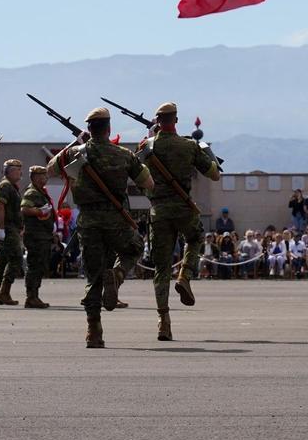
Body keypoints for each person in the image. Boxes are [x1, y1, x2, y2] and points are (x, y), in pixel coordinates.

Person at [47, 106, 154, 348]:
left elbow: (50, 169)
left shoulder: (76, 153)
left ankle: (93, 331)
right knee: (134, 248)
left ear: (88, 129)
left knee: (93, 275)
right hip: (117, 221)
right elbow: (148, 182)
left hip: (89, 223)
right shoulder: (123, 154)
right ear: (109, 129)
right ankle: (117, 274)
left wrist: (73, 145)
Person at [139, 102, 220, 341]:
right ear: (175, 121)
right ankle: (185, 274)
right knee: (195, 237)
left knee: (161, 267)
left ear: (156, 122)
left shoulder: (147, 146)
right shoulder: (189, 146)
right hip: (184, 208)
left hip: (159, 211)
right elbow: (214, 174)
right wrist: (207, 154)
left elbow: (138, 175)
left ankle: (163, 322)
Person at [19, 165, 55, 308]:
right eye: (43, 176)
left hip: (42, 235)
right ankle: (31, 297)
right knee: (35, 266)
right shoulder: (32, 192)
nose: (46, 179)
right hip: (35, 235)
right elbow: (24, 209)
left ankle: (34, 295)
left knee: (40, 266)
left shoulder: (40, 192)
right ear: (35, 178)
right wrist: (39, 211)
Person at [0, 159, 25, 306]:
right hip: (7, 227)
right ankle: (3, 292)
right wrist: (1, 228)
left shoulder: (11, 186)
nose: (20, 172)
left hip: (10, 226)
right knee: (16, 259)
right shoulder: (5, 186)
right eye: (17, 169)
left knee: (4, 260)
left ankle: (1, 293)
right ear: (10, 171)